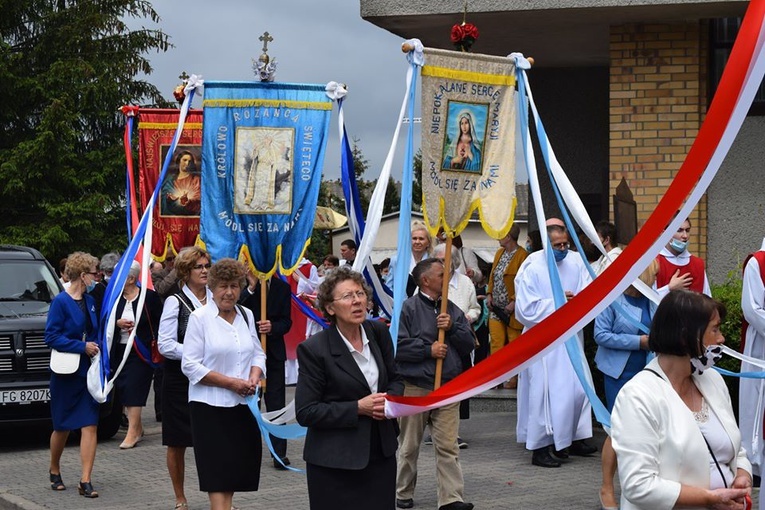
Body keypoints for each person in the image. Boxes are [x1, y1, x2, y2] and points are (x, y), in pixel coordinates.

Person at [611, 290, 753, 509]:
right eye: (714, 329)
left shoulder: (712, 380)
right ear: (685, 336)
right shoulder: (638, 396)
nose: (721, 338)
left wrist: (743, 476)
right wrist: (709, 499)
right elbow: (638, 484)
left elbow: (735, 450)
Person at [295, 267, 402, 510]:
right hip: (335, 462)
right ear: (330, 308)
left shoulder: (378, 332)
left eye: (360, 293)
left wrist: (390, 400)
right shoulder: (314, 349)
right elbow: (306, 411)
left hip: (380, 453)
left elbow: (395, 378)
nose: (357, 301)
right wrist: (357, 408)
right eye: (347, 296)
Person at [181, 259, 266, 510]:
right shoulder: (200, 318)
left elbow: (258, 353)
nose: (229, 292)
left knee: (234, 470)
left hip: (242, 406)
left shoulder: (247, 315)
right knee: (217, 473)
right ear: (212, 287)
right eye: (223, 287)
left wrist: (253, 376)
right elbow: (190, 365)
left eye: (234, 286)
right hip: (210, 407)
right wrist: (231, 383)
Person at [395, 258, 475, 510]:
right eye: (441, 275)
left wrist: (452, 328)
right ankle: (403, 492)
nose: (446, 279)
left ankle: (451, 498)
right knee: (409, 447)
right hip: (416, 387)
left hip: (447, 388)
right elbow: (396, 346)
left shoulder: (451, 309)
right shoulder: (407, 309)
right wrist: (427, 350)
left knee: (448, 446)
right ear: (425, 281)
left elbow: (469, 344)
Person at [514, 222, 596, 468]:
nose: (563, 249)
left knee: (579, 389)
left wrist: (577, 303)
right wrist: (558, 303)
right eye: (557, 245)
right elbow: (525, 308)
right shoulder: (532, 266)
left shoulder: (576, 261)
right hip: (544, 339)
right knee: (546, 393)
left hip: (570, 335)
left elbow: (588, 291)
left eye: (565, 244)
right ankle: (540, 447)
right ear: (546, 246)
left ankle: (570, 439)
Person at [594, 259, 659, 509]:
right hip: (618, 373)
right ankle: (607, 487)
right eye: (652, 276)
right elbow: (600, 335)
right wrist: (638, 341)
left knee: (644, 429)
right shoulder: (612, 299)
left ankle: (639, 485)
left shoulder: (651, 299)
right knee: (617, 430)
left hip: (647, 372)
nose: (655, 280)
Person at [158, 246, 212, 510]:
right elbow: (165, 344)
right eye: (198, 267)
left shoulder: (217, 299)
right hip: (180, 381)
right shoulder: (174, 301)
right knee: (178, 441)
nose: (204, 271)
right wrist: (195, 353)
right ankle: (180, 497)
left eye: (206, 266)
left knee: (214, 440)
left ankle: (219, 496)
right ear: (185, 271)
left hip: (211, 378)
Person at [44, 252, 101, 498]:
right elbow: (51, 336)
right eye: (93, 273)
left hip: (87, 372)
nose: (97, 277)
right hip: (66, 373)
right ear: (82, 275)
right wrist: (81, 347)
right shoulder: (60, 302)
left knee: (90, 424)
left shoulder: (89, 301)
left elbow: (93, 330)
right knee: (62, 427)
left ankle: (85, 480)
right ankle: (54, 467)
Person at [240, 271, 293, 469]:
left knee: (276, 405)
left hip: (273, 355)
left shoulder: (281, 287)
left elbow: (286, 321)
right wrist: (251, 288)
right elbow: (235, 310)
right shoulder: (241, 285)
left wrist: (273, 326)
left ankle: (279, 454)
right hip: (249, 356)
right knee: (250, 404)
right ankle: (247, 452)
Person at [111, 261, 163, 449]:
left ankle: (132, 433)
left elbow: (160, 323)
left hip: (141, 352)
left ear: (132, 278)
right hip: (120, 351)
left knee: (134, 387)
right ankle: (138, 428)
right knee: (124, 387)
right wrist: (117, 324)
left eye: (120, 275)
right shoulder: (115, 298)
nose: (115, 279)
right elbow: (105, 320)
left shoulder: (148, 297)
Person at [739, 237, 765, 502]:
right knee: (755, 401)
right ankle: (752, 461)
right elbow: (752, 308)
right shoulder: (757, 263)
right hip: (761, 348)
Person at [487, 224, 528, 361]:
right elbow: (493, 274)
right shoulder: (499, 252)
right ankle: (495, 378)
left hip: (513, 311)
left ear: (509, 237)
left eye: (501, 234)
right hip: (495, 308)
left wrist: (514, 301)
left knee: (514, 345)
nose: (498, 238)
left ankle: (514, 379)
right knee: (496, 343)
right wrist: (489, 294)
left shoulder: (523, 256)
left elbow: (525, 282)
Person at [655, 217, 711, 297]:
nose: (685, 236)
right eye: (679, 230)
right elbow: (646, 301)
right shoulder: (654, 262)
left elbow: (707, 299)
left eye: (687, 230)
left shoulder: (698, 264)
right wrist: (669, 288)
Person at [385, 220, 434, 297]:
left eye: (421, 239)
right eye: (414, 238)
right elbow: (389, 287)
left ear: (428, 242)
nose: (417, 242)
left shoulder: (433, 263)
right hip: (402, 307)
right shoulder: (397, 261)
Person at [161, 150, 201, 216]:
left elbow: (199, 199)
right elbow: (162, 197)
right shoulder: (170, 179)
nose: (187, 163)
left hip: (189, 215)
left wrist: (188, 202)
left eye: (190, 161)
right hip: (172, 217)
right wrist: (169, 198)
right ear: (179, 161)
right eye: (185, 160)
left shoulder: (196, 180)